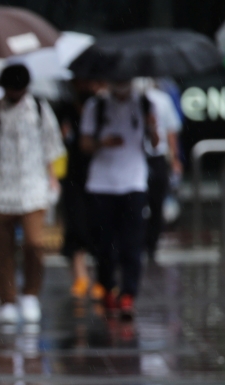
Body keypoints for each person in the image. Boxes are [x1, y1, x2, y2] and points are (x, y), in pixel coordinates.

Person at [0, 64, 63, 325]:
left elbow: (50, 145)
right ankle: (6, 300)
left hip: (32, 186)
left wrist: (52, 177)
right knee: (1, 250)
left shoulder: (39, 109)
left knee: (35, 244)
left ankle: (30, 294)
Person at [80, 81, 161, 320]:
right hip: (102, 183)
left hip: (134, 182)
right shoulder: (96, 106)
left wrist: (153, 127)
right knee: (104, 244)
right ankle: (107, 286)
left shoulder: (146, 104)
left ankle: (128, 293)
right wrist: (101, 143)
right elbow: (84, 144)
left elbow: (156, 144)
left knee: (132, 243)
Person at [54, 79, 103, 299]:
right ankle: (80, 276)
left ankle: (102, 277)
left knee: (100, 226)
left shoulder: (102, 107)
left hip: (101, 173)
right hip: (73, 174)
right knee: (76, 224)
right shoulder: (64, 108)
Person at [136, 78, 182, 261]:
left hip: (157, 156)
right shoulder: (132, 100)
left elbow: (171, 131)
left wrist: (175, 158)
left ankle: (151, 245)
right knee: (139, 204)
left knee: (156, 203)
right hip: (137, 157)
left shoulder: (162, 100)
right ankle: (139, 242)